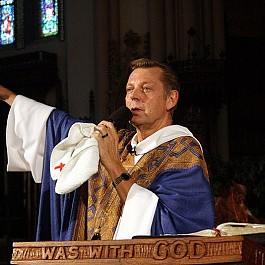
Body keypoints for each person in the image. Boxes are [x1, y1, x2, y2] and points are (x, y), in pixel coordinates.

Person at [0, 58, 214, 241]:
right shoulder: (116, 141)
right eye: (130, 89)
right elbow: (61, 127)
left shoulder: (183, 149)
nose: (134, 96)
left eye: (146, 89)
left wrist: (112, 163)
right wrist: (10, 98)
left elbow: (175, 227)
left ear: (171, 99)